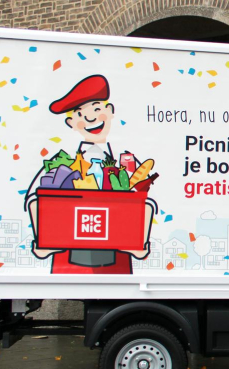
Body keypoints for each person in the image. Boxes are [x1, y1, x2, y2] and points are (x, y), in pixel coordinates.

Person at [26, 74, 154, 274]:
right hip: (68, 262)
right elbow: (33, 200)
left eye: (97, 108)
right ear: (70, 122)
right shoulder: (62, 162)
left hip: (117, 263)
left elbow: (146, 201)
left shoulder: (126, 161)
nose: (91, 117)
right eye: (79, 114)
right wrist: (44, 243)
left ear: (110, 111)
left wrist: (139, 245)